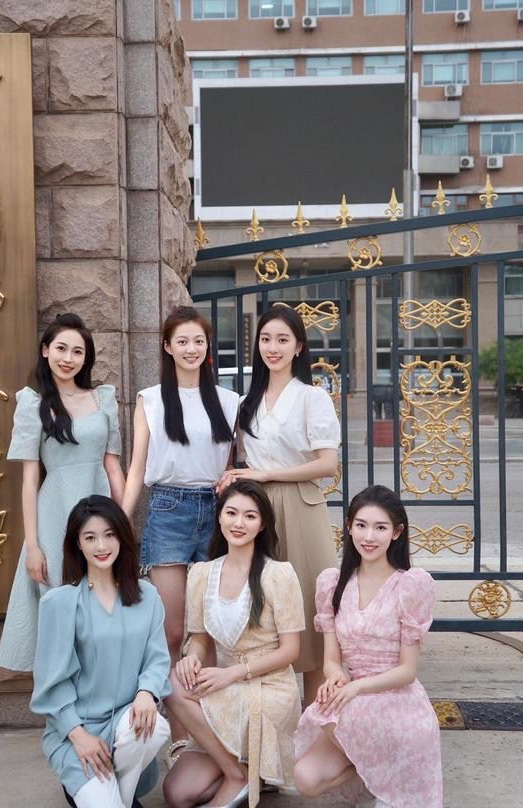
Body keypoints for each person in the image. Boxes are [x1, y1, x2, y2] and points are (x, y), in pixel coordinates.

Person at [122, 306, 239, 756]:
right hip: (168, 509)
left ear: (208, 348)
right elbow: (136, 469)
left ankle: (212, 725)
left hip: (217, 512)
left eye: (199, 341)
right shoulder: (151, 400)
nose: (191, 349)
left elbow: (235, 467)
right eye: (182, 341)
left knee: (209, 628)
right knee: (173, 631)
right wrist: (122, 521)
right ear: (167, 347)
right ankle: (181, 731)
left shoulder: (228, 401)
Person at [219, 305, 340, 704]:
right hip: (256, 508)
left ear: (298, 346)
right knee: (263, 604)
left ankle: (317, 717)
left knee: (310, 605)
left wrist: (268, 474)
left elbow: (327, 464)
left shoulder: (312, 397)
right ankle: (269, 712)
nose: (273, 347)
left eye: (283, 340)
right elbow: (239, 460)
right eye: (266, 339)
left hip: (302, 506)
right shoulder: (246, 402)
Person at [293, 485, 442, 808]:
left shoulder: (410, 585)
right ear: (348, 527)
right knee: (305, 778)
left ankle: (390, 777)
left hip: (397, 700)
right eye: (361, 525)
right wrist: (335, 676)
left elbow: (407, 671)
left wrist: (356, 687)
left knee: (346, 715)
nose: (369, 536)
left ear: (397, 532)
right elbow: (331, 659)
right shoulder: (332, 583)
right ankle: (371, 775)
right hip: (354, 694)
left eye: (380, 527)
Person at [163, 480, 304, 808]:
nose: (239, 523)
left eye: (250, 516)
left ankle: (238, 776)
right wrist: (191, 658)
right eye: (231, 513)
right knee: (178, 794)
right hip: (227, 686)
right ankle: (244, 771)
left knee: (173, 689)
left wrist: (232, 674)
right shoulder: (201, 573)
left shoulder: (278, 574)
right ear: (220, 517)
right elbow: (200, 640)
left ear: (262, 524)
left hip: (268, 688)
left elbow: (290, 652)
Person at [0, 313, 125, 671]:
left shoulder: (103, 399)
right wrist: (33, 546)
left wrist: (125, 523)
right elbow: (29, 479)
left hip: (101, 511)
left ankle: (99, 692)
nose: (68, 358)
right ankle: (60, 698)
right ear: (46, 351)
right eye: (61, 349)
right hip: (54, 514)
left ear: (86, 358)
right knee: (59, 604)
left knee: (102, 600)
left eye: (77, 352)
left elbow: (114, 468)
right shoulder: (32, 404)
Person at [30, 495, 171, 808]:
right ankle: (109, 794)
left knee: (156, 727)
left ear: (121, 537)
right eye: (90, 537)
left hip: (126, 725)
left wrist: (147, 691)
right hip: (79, 732)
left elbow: (157, 658)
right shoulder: (60, 603)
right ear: (77, 544)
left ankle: (118, 794)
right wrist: (78, 737)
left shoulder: (147, 596)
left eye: (109, 534)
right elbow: (52, 684)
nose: (101, 546)